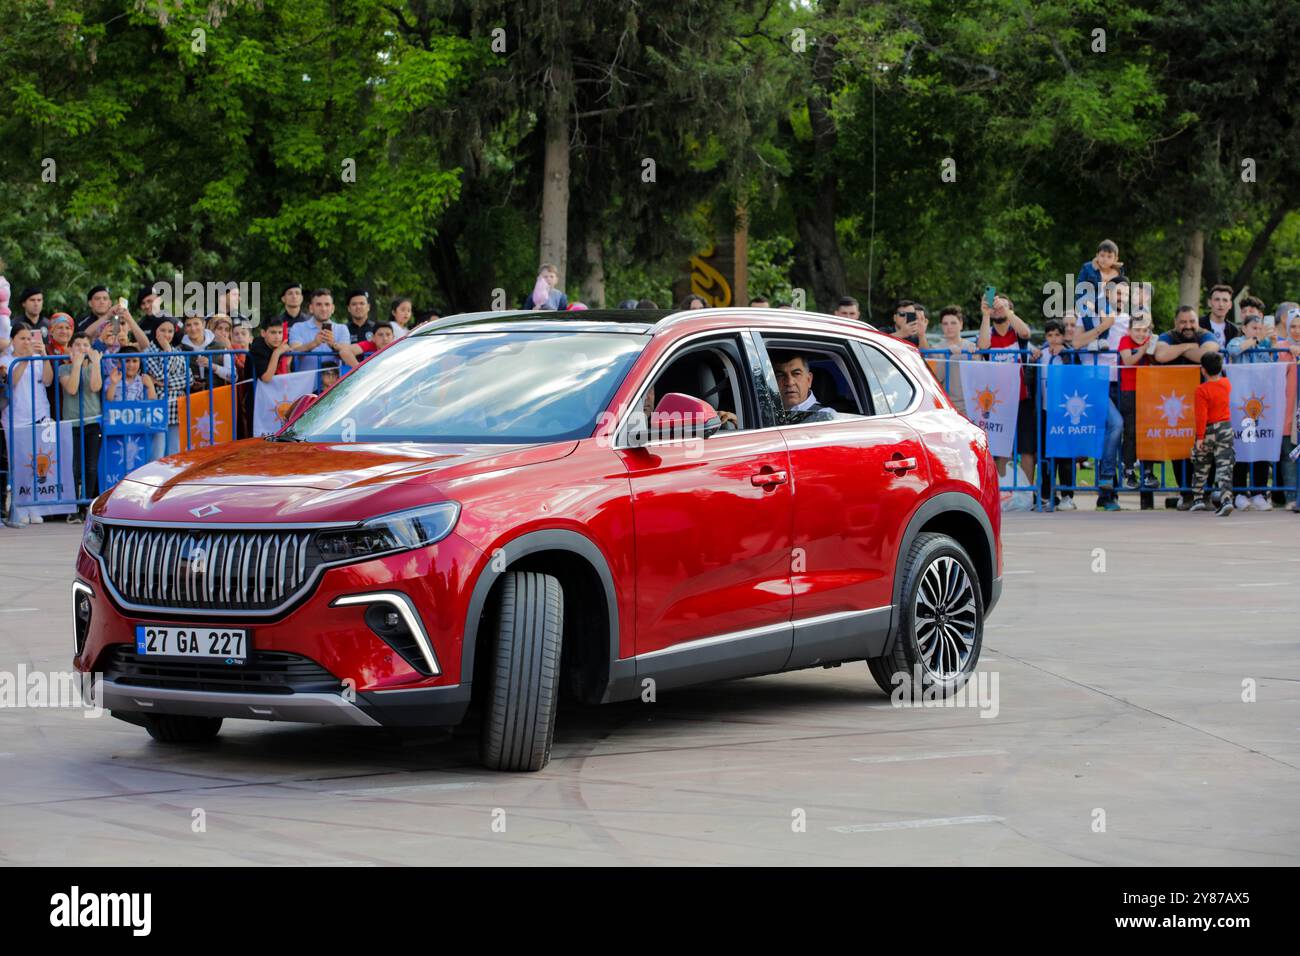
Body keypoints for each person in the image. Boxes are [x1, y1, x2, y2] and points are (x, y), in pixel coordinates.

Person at [1155, 306, 1220, 509]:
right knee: (1179, 446)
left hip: (1205, 400)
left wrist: (1184, 350)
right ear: (1176, 323)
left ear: (1197, 322)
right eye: (1183, 322)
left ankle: (1206, 494)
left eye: (1191, 321)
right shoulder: (1167, 336)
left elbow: (1208, 353)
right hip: (1176, 403)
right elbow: (1161, 355)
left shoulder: (1206, 334)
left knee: (1207, 446)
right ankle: (1187, 494)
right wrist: (1187, 347)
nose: (1188, 326)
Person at [977, 293, 1037, 495]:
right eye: (996, 306)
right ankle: (1004, 493)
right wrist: (986, 314)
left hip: (1022, 398)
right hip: (998, 403)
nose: (998, 309)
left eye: (1002, 306)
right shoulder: (989, 332)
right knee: (1002, 450)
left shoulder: (1016, 332)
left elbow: (1026, 332)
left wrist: (1006, 308)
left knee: (1027, 449)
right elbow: (983, 346)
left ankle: (1028, 493)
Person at [1, 323, 54, 525]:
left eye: (28, 338)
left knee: (38, 464)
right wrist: (25, 359)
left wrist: (45, 357)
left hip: (40, 414)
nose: (26, 342)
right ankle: (19, 506)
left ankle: (35, 506)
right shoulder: (6, 360)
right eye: (22, 338)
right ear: (13, 340)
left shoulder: (38, 357)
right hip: (16, 418)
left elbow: (48, 381)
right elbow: (12, 381)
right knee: (19, 464)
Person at [1226, 309, 1277, 511]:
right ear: (1244, 328)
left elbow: (1273, 367)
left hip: (1262, 404)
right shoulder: (1236, 341)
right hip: (1240, 403)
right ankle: (1239, 492)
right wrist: (1255, 339)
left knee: (1262, 445)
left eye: (1259, 328)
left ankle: (1259, 492)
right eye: (1253, 327)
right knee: (1242, 446)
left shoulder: (1265, 345)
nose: (1257, 331)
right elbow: (1234, 352)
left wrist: (1272, 344)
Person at [57, 332, 103, 518]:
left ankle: (86, 506)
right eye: (78, 345)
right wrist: (76, 365)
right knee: (74, 466)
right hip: (72, 422)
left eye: (85, 345)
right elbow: (72, 388)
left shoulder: (93, 367)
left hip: (92, 421)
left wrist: (96, 364)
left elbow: (95, 387)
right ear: (71, 348)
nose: (82, 349)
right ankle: (74, 507)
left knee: (91, 465)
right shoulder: (64, 369)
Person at [1118, 313, 1159, 494]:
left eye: (1144, 330)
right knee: (1131, 431)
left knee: (1148, 432)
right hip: (1129, 390)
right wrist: (1143, 350)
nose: (1141, 334)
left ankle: (1148, 471)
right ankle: (1129, 471)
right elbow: (1128, 360)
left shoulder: (1152, 342)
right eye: (1137, 330)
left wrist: (1152, 350)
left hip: (1148, 390)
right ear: (1129, 330)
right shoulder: (1125, 340)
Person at [1189, 351, 1234, 516]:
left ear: (1203, 370)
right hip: (1225, 429)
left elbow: (1201, 416)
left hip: (1208, 430)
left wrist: (1199, 438)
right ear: (1220, 368)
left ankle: (1198, 498)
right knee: (1225, 466)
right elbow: (1223, 376)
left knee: (1201, 464)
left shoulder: (1201, 390)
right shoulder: (1226, 384)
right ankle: (1226, 499)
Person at [144, 317, 188, 457]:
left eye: (170, 331)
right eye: (162, 330)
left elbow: (188, 379)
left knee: (174, 452)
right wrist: (168, 351)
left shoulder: (178, 351)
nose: (166, 334)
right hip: (158, 407)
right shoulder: (147, 353)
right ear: (155, 331)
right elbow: (161, 374)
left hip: (176, 406)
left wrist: (163, 383)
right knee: (157, 452)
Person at [288, 289, 360, 373]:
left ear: (332, 308)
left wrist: (333, 344)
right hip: (305, 384)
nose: (323, 308)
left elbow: (347, 353)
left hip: (334, 384)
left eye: (327, 304)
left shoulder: (342, 329)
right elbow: (294, 351)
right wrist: (314, 343)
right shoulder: (297, 327)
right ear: (311, 308)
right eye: (318, 304)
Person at [1272, 304, 1300, 510]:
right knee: (1288, 454)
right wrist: (1278, 346)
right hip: (1288, 410)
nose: (1297, 331)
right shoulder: (1282, 347)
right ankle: (1291, 496)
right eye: (1293, 327)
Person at [927, 306, 976, 415]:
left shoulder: (971, 347)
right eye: (945, 324)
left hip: (969, 405)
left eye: (953, 323)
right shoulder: (935, 349)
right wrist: (947, 356)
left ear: (961, 324)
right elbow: (936, 379)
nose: (949, 327)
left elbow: (979, 377)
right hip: (946, 406)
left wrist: (976, 357)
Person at [771, 351, 835, 423]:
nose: (789, 382)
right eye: (780, 375)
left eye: (796, 374)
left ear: (809, 380)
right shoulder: (764, 413)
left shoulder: (826, 416)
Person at [1075, 239, 1124, 323]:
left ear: (1115, 259)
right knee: (1087, 315)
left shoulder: (1118, 272)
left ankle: (1103, 336)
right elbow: (1079, 286)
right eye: (1102, 255)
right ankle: (1091, 334)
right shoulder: (1088, 268)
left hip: (1107, 303)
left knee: (1109, 316)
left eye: (1109, 256)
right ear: (1097, 255)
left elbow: (1121, 291)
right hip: (1088, 300)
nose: (1105, 259)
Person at [1200, 284, 1240, 350]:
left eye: (1225, 300)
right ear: (1209, 302)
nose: (1221, 304)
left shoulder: (1234, 330)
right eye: (1217, 299)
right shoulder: (1198, 325)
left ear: (1230, 305)